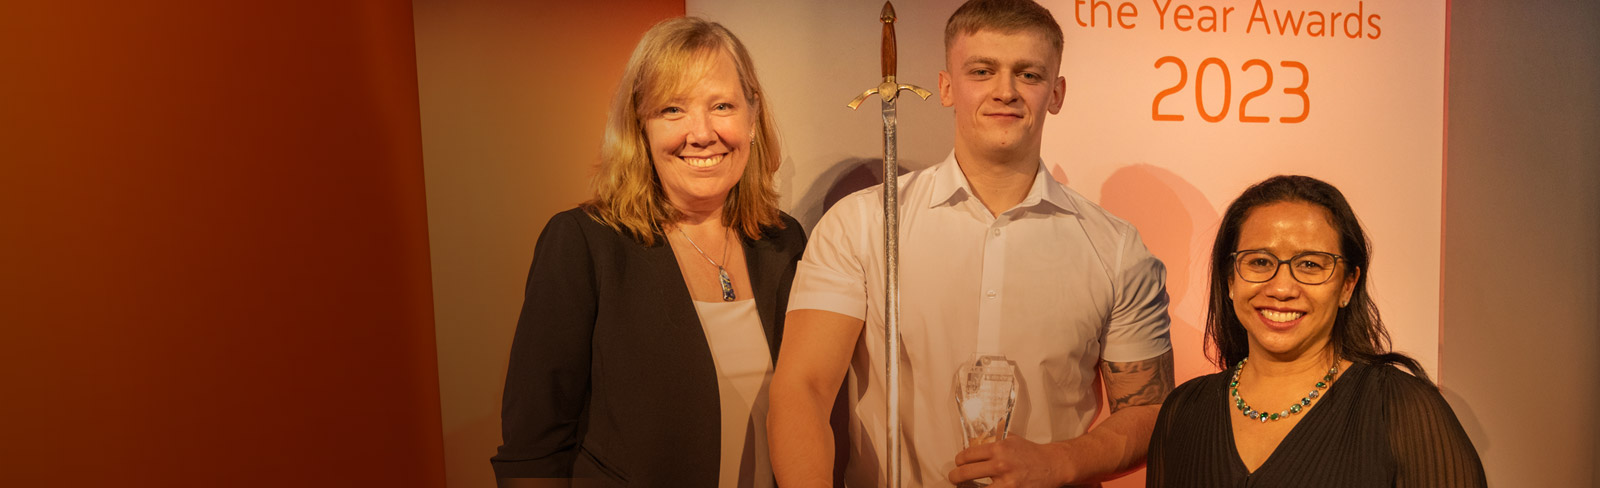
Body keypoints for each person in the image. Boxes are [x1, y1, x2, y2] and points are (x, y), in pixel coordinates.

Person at [768, 0, 1174, 486]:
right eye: (982, 71)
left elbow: (1151, 413)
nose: (1005, 91)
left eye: (1028, 75)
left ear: (1057, 92)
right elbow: (803, 390)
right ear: (945, 87)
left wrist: (1060, 461)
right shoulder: (860, 224)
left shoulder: (1117, 249)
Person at [490, 17, 805, 488]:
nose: (700, 134)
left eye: (722, 105)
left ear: (753, 117)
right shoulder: (581, 243)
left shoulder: (785, 241)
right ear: (640, 124)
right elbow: (533, 450)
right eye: (672, 110)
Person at [1145, 175, 1486, 487]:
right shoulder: (1182, 411)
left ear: (1347, 286)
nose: (1281, 288)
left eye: (1309, 265)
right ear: (1231, 279)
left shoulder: (1399, 407)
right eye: (1260, 261)